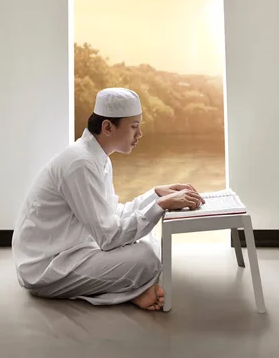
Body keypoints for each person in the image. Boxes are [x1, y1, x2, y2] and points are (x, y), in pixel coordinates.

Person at [12, 87, 203, 311]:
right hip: (44, 265)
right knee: (147, 259)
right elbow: (109, 237)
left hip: (75, 248)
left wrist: (156, 194)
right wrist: (161, 206)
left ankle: (133, 289)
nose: (139, 134)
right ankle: (131, 291)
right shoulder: (80, 163)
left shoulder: (97, 158)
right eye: (134, 126)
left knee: (148, 239)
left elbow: (114, 214)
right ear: (107, 127)